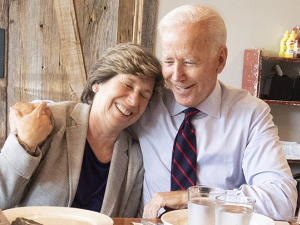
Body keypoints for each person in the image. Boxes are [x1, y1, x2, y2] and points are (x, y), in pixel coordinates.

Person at [129, 4, 297, 221]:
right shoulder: (146, 102)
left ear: (220, 60)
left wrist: (196, 198)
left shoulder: (251, 114)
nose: (176, 76)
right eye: (168, 61)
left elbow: (283, 199)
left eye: (189, 62)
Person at [0, 43, 164, 218]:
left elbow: (124, 222)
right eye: (128, 85)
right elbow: (2, 199)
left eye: (144, 95)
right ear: (97, 83)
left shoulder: (135, 160)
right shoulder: (48, 121)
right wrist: (25, 142)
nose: (133, 101)